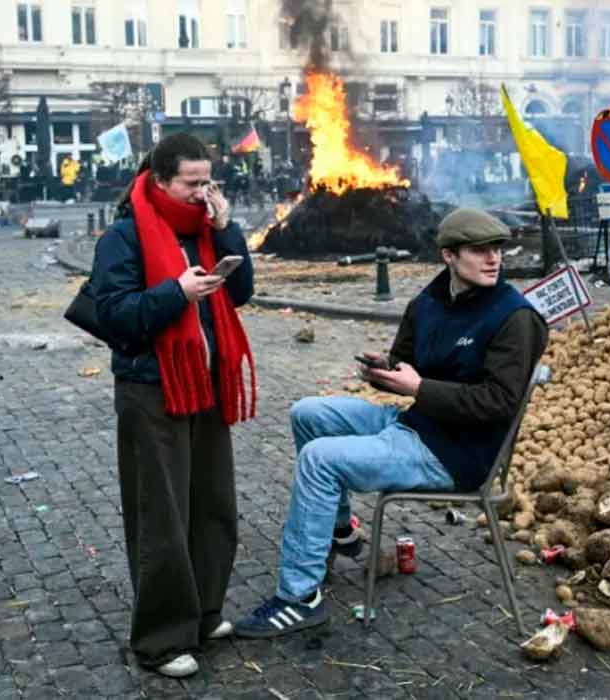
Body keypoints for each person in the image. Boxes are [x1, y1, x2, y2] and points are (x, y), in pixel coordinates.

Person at [234, 208, 549, 639]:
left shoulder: (515, 317)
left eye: (497, 249)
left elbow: (498, 403)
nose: (494, 259)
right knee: (307, 413)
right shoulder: (429, 302)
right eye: (480, 250)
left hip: (455, 453)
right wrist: (385, 369)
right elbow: (408, 364)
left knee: (319, 460)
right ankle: (341, 532)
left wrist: (419, 388)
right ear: (449, 256)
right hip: (416, 423)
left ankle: (299, 597)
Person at [90, 133, 256, 678]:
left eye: (207, 181)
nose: (202, 192)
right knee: (161, 515)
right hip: (151, 389)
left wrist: (227, 228)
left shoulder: (205, 229)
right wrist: (176, 294)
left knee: (213, 504)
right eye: (192, 183)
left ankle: (204, 612)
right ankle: (161, 640)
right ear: (161, 180)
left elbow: (242, 293)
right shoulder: (124, 236)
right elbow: (114, 316)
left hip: (204, 384)